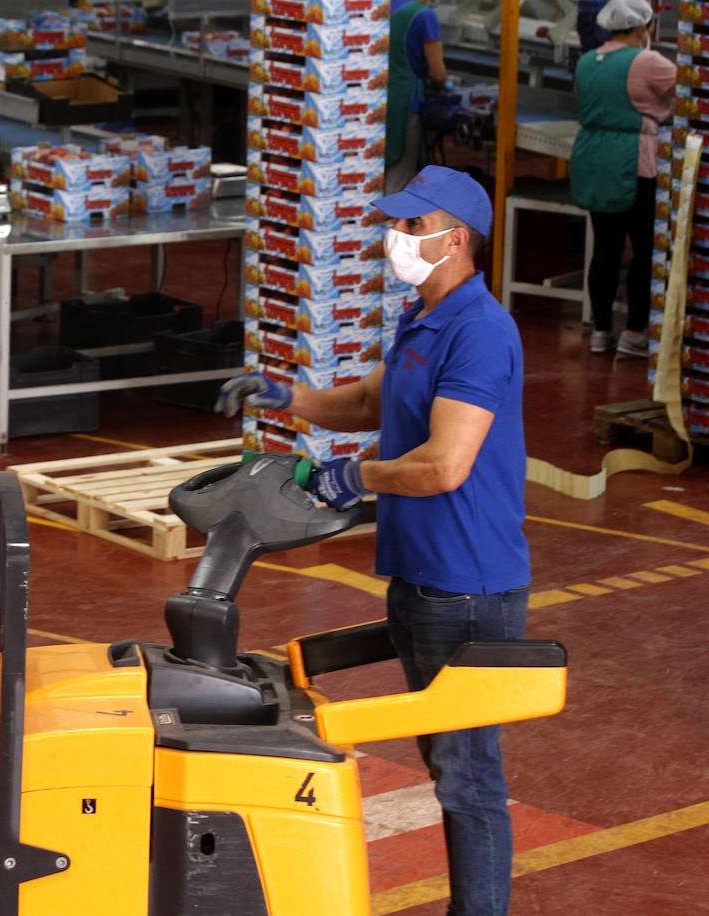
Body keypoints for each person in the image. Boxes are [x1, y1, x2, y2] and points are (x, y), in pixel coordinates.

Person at [218, 165, 529, 916]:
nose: (395, 238)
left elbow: (445, 464)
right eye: (396, 224)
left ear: (456, 240)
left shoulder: (480, 331)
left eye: (412, 228)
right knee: (450, 764)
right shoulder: (424, 317)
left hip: (467, 587)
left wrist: (352, 479)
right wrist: (286, 395)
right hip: (424, 578)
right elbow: (367, 399)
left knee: (467, 774)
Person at [569, 0, 674, 356]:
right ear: (642, 28)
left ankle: (600, 331)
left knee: (605, 247)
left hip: (592, 157)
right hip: (634, 162)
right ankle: (634, 333)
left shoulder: (586, 60)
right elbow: (688, 90)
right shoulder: (647, 61)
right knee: (644, 249)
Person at [385, 0, 448, 194]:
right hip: (405, 104)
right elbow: (438, 74)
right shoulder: (424, 16)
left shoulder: (381, 8)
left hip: (376, 100)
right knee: (399, 181)